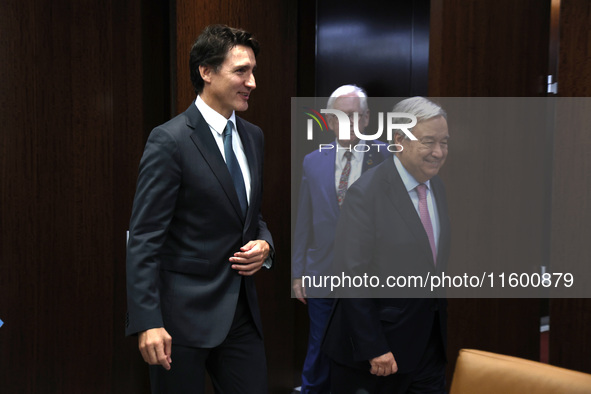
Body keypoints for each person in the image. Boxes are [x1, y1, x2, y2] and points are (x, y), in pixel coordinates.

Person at [125, 24, 274, 394]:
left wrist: (265, 245)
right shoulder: (170, 140)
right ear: (206, 72)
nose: (252, 82)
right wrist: (147, 321)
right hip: (179, 323)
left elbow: (250, 214)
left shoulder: (254, 137)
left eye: (253, 71)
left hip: (240, 316)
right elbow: (143, 237)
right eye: (241, 71)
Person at [323, 97, 451, 393]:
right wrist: (374, 346)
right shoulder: (365, 194)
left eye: (444, 142)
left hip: (428, 347)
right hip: (378, 356)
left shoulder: (438, 188)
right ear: (399, 140)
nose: (438, 152)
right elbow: (350, 276)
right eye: (428, 141)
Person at [292, 85, 390, 393]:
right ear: (329, 121)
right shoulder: (313, 161)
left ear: (366, 118)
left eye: (355, 115)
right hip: (322, 271)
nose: (348, 122)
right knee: (319, 349)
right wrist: (298, 273)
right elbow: (304, 220)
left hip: (371, 277)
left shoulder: (388, 158)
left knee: (369, 349)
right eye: (341, 116)